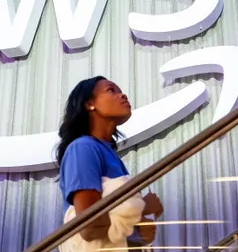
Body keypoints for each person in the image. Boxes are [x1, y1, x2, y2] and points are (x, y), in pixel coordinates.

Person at [57, 76, 164, 247]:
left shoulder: (108, 154)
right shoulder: (83, 148)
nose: (122, 95)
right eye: (111, 90)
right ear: (89, 104)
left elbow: (112, 231)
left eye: (120, 91)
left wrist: (139, 231)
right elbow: (89, 227)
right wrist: (142, 206)